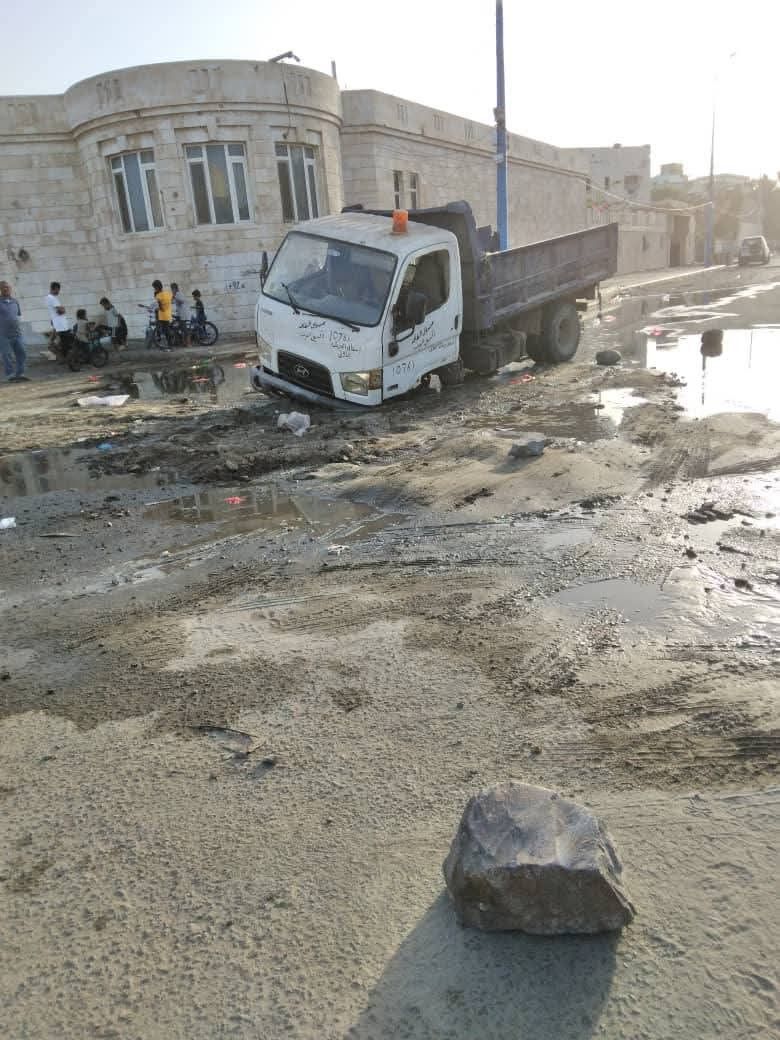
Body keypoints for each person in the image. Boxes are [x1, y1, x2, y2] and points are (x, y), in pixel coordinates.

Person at [0, 280, 28, 382]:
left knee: (22, 352)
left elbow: (17, 316)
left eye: (8, 287)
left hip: (17, 333)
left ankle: (20, 373)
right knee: (6, 355)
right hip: (3, 334)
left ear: (10, 289)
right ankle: (10, 375)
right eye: (4, 287)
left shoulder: (15, 301)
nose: (6, 289)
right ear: (0, 289)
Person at [45, 281, 75, 360]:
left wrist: (61, 309)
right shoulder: (53, 298)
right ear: (55, 288)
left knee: (60, 341)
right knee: (66, 342)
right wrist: (63, 309)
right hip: (61, 325)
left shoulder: (48, 297)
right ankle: (66, 358)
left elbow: (56, 310)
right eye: (58, 289)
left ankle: (61, 357)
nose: (59, 291)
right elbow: (60, 311)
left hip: (57, 324)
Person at [152, 279, 173, 349]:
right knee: (166, 329)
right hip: (168, 313)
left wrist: (158, 308)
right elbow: (170, 301)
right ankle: (169, 344)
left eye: (154, 287)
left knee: (164, 330)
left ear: (157, 287)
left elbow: (160, 307)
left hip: (162, 315)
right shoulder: (168, 293)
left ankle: (169, 345)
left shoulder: (158, 295)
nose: (154, 289)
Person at [170, 281, 191, 347]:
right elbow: (172, 302)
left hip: (183, 314)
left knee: (184, 329)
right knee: (177, 328)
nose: (172, 290)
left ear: (175, 288)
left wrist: (174, 297)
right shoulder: (176, 295)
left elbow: (181, 301)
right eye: (171, 289)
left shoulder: (179, 294)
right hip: (180, 314)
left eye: (172, 289)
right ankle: (180, 342)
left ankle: (188, 343)